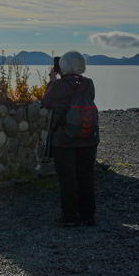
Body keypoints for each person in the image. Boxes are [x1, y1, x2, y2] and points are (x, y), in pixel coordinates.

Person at [41, 51, 99, 227]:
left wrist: (51, 81)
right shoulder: (88, 84)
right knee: (86, 176)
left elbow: (46, 102)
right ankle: (88, 216)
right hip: (88, 136)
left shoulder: (58, 85)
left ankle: (69, 217)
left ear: (63, 66)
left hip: (64, 138)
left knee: (67, 179)